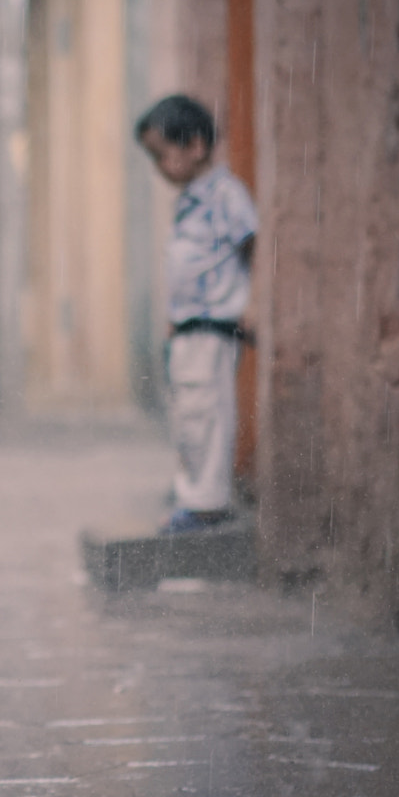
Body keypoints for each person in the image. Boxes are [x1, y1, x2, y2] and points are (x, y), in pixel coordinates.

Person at [135, 94, 256, 535]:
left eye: (162, 155)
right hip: (188, 327)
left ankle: (207, 501)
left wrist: (252, 302)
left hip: (213, 325)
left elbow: (250, 244)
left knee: (207, 411)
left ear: (196, 146)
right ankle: (193, 489)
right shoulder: (190, 200)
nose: (159, 168)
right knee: (188, 413)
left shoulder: (226, 195)